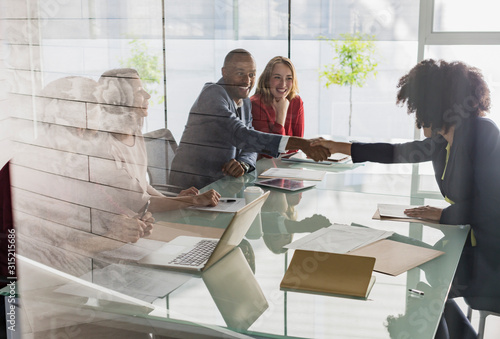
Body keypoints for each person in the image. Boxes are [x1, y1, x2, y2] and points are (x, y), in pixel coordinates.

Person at [312, 59, 500, 338]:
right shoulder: (445, 140)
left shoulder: (482, 133)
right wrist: (339, 146)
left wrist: (445, 215)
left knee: (427, 291)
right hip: (470, 246)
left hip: (491, 259)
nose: (417, 116)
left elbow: (492, 204)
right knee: (426, 283)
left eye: (420, 107)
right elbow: (396, 152)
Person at [169, 49, 329, 189]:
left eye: (251, 74)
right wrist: (302, 143)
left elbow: (250, 147)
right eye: (240, 73)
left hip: (223, 186)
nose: (247, 81)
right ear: (224, 72)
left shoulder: (244, 102)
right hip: (193, 188)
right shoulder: (212, 95)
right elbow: (241, 135)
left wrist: (244, 164)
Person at [96, 68, 221, 216]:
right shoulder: (105, 148)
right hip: (124, 224)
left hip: (142, 218)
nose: (147, 95)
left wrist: (173, 200)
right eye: (139, 92)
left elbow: (143, 186)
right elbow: (140, 203)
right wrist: (192, 201)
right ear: (119, 100)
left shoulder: (135, 133)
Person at [251, 56, 304, 144]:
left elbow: (298, 144)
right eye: (277, 77)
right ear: (267, 79)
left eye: (289, 78)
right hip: (264, 158)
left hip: (288, 158)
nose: (283, 84)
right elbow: (269, 149)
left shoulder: (296, 101)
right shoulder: (255, 104)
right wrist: (281, 115)